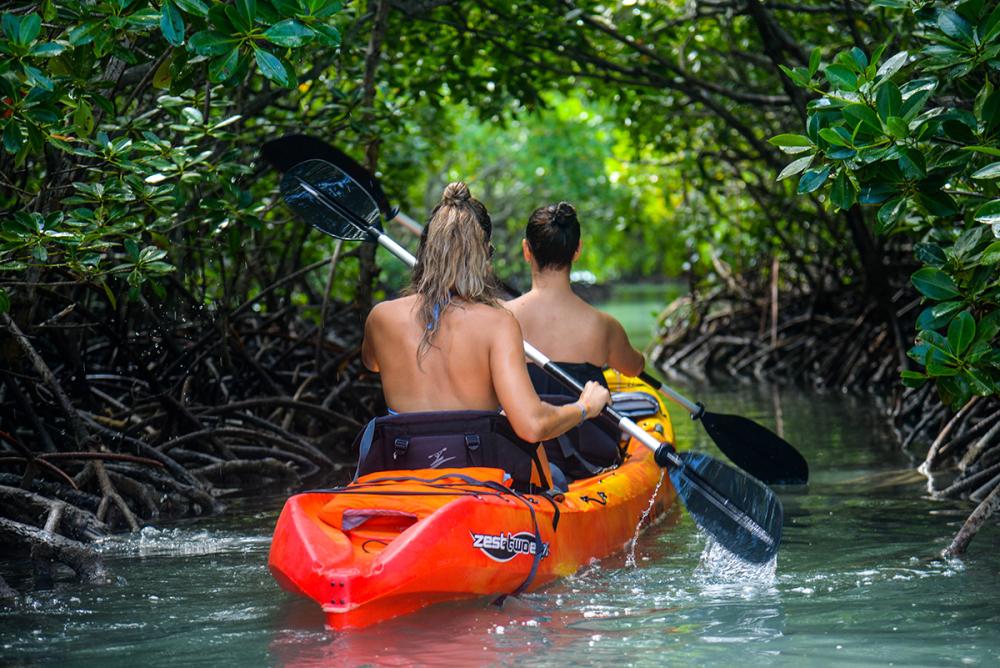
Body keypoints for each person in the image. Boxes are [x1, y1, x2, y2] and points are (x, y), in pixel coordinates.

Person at [360, 183, 610, 487]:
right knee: (556, 475)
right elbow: (532, 425)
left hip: (405, 476)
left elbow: (372, 363)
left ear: (426, 250)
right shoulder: (498, 323)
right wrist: (585, 407)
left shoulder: (381, 317)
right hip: (479, 481)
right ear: (483, 256)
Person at [506, 201, 645, 396]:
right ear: (577, 250)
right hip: (587, 425)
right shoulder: (604, 326)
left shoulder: (502, 319)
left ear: (526, 250)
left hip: (519, 426)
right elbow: (635, 367)